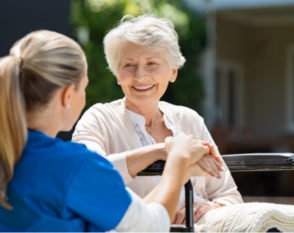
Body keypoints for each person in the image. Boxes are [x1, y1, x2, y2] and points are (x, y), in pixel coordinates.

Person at [0, 30, 222, 231]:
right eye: (84, 87)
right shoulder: (74, 166)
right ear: (68, 95)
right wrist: (177, 158)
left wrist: (160, 153)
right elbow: (152, 226)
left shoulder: (12, 156)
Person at [72, 14, 243, 225]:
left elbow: (229, 195)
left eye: (151, 63)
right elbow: (88, 177)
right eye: (128, 65)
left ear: (173, 71)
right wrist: (163, 150)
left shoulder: (189, 120)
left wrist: (210, 208)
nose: (140, 76)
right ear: (117, 74)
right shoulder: (98, 119)